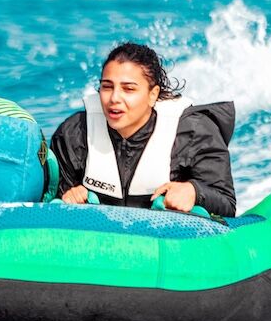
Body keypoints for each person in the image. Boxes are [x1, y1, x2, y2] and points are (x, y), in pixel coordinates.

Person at [49, 42, 236, 216]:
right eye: (107, 87)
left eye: (128, 89)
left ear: (152, 95)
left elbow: (227, 204)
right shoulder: (74, 133)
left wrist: (195, 191)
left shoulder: (195, 133)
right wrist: (70, 194)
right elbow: (53, 198)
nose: (114, 98)